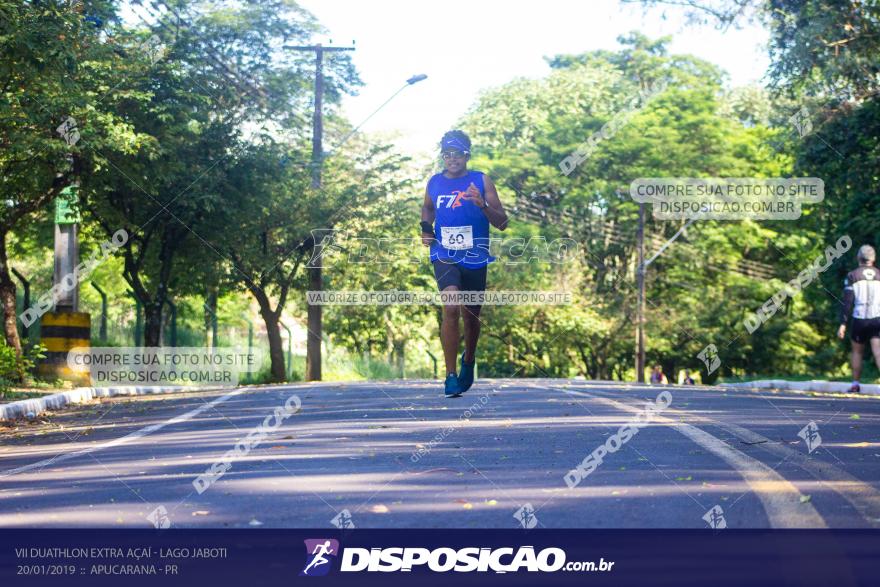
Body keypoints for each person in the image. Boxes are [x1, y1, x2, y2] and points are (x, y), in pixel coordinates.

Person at [421, 130, 508, 397]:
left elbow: (502, 223)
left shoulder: (481, 180)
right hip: (444, 253)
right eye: (447, 154)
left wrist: (482, 204)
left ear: (466, 155)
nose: (452, 159)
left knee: (471, 316)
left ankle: (468, 361)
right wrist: (425, 229)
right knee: (450, 307)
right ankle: (449, 376)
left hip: (475, 256)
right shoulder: (434, 182)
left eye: (456, 154)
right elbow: (427, 209)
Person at [837, 244, 880, 393]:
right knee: (878, 351)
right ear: (873, 259)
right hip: (877, 318)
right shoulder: (879, 275)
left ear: (858, 258)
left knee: (857, 352)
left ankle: (855, 383)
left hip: (859, 319)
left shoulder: (853, 276)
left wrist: (843, 323)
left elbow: (847, 302)